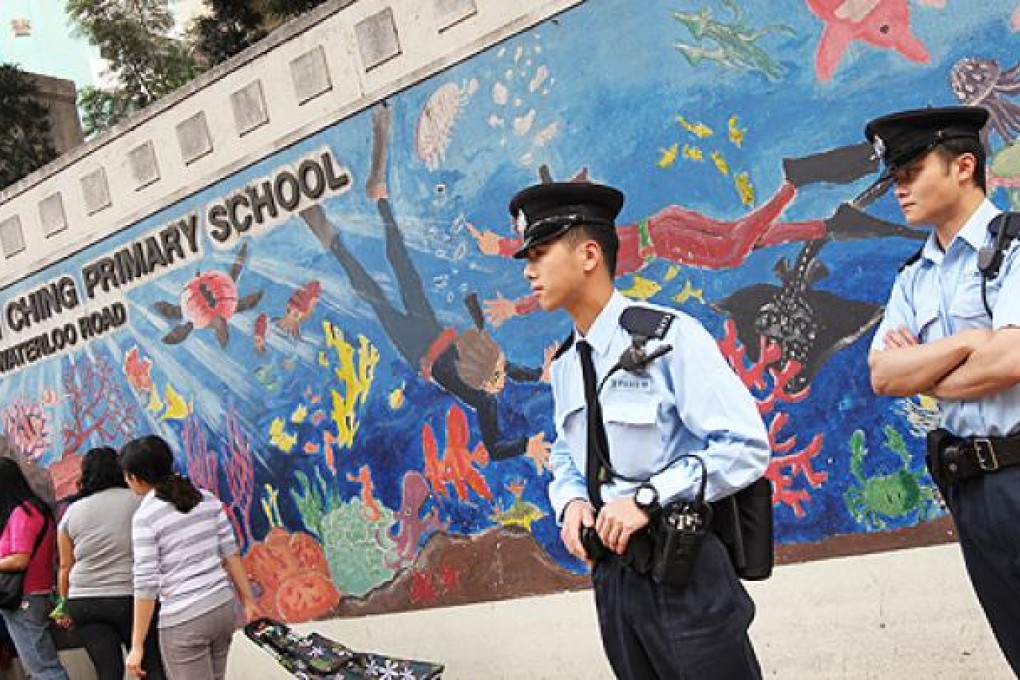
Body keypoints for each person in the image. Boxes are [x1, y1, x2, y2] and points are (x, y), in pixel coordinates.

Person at [513, 181, 770, 679]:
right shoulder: (567, 364)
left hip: (683, 566)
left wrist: (649, 498)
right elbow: (568, 453)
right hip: (613, 575)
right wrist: (570, 503)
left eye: (540, 253)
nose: (528, 271)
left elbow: (745, 446)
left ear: (589, 254)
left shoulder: (671, 337)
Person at [299, 102, 552, 467]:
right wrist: (538, 375)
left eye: (496, 379)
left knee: (375, 294)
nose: (502, 383)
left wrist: (526, 445)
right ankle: (379, 199)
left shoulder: (485, 400)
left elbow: (496, 447)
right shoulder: (487, 385)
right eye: (499, 375)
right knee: (402, 270)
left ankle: (334, 242)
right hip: (432, 332)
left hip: (417, 346)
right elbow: (505, 368)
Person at [865, 105, 1020, 672]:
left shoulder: (1017, 248)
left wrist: (928, 370)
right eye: (894, 178)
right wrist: (971, 340)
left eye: (910, 172)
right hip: (971, 491)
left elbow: (1013, 356)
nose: (899, 189)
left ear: (963, 166)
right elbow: (883, 374)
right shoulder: (913, 276)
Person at [119, 435, 259, 680]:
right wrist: (248, 600)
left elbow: (146, 583)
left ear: (136, 479)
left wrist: (137, 645)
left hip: (184, 620)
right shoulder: (207, 499)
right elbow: (230, 553)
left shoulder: (146, 516)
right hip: (222, 608)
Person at [52, 447, 165, 680]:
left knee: (108, 672)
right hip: (130, 598)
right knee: (149, 666)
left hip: (84, 600)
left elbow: (65, 566)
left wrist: (63, 605)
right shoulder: (140, 502)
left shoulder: (72, 512)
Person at [0, 457, 68, 680]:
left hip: (26, 597)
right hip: (28, 596)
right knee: (38, 665)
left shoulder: (24, 514)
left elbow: (20, 559)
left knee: (43, 667)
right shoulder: (30, 510)